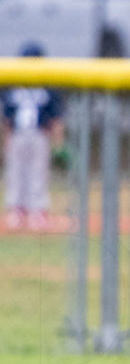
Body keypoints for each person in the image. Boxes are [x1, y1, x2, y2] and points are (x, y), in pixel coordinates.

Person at [2, 43, 63, 232]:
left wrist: (58, 142)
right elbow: (6, 118)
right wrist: (5, 140)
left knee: (38, 173)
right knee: (15, 172)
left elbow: (55, 118)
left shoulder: (48, 86)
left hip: (39, 134)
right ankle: (17, 210)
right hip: (18, 134)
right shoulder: (13, 85)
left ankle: (38, 210)